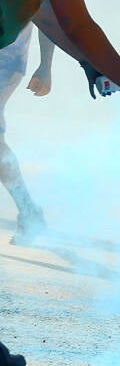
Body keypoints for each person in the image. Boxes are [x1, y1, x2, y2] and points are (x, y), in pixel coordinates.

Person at [0, 23, 54, 245]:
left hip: (6, 60)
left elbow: (48, 14)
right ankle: (29, 210)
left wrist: (45, 65)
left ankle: (29, 209)